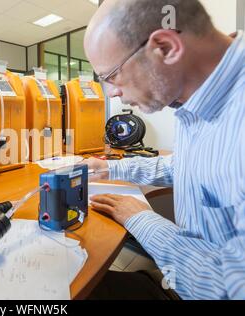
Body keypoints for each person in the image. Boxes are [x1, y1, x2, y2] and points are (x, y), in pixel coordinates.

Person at [83, 0, 245, 299]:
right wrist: (110, 168)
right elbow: (188, 166)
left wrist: (142, 219)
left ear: (166, 47)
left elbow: (233, 287)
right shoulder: (195, 100)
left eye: (111, 76)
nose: (112, 93)